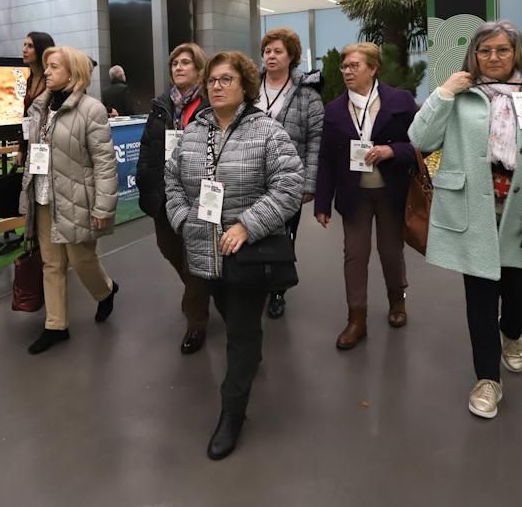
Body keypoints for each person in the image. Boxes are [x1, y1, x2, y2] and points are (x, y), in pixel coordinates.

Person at [408, 19, 522, 420]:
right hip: (472, 209)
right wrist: (442, 93)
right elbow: (420, 140)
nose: (493, 58)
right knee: (479, 299)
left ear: (517, 53)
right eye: (485, 51)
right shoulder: (460, 94)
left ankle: (513, 333)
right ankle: (487, 379)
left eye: (502, 50)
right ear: (473, 55)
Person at [165, 51, 302, 459]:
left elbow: (290, 186)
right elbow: (171, 179)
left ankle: (232, 412)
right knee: (229, 313)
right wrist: (182, 220)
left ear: (244, 85)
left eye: (227, 79)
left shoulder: (266, 131)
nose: (217, 86)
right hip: (203, 248)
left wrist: (247, 225)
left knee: (241, 331)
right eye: (212, 81)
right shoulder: (194, 130)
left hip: (247, 250)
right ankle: (249, 358)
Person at [314, 43, 418, 350]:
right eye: (344, 66)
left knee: (390, 252)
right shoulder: (333, 109)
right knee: (355, 255)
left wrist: (391, 150)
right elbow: (326, 160)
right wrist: (322, 202)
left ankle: (397, 301)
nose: (346, 71)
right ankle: (356, 319)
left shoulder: (400, 100)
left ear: (372, 69)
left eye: (354, 66)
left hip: (391, 191)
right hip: (353, 194)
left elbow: (420, 144)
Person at [20, 46, 119, 355]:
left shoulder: (92, 109)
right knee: (52, 263)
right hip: (43, 196)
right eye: (46, 66)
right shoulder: (39, 107)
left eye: (53, 67)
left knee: (81, 259)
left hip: (77, 196)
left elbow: (104, 162)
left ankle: (105, 290)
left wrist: (104, 206)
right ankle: (55, 325)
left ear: (73, 73)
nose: (46, 71)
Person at [137, 43, 212, 354]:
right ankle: (201, 291)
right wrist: (145, 182)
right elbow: (147, 148)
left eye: (186, 63)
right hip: (164, 192)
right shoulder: (160, 106)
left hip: (198, 194)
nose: (179, 68)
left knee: (193, 256)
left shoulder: (210, 104)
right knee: (168, 247)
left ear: (199, 69)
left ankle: (197, 322)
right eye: (175, 64)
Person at [257, 28, 324, 320]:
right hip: (251, 175)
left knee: (284, 236)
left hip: (289, 179)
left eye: (278, 51)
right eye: (268, 51)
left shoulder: (307, 94)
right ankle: (254, 283)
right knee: (251, 230)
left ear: (292, 57)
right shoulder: (249, 87)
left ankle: (278, 291)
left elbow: (315, 140)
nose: (271, 56)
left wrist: (309, 184)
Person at [22, 31, 55, 114]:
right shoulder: (28, 79)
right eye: (24, 45)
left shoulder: (51, 80)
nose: (24, 50)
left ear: (41, 49)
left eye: (30, 46)